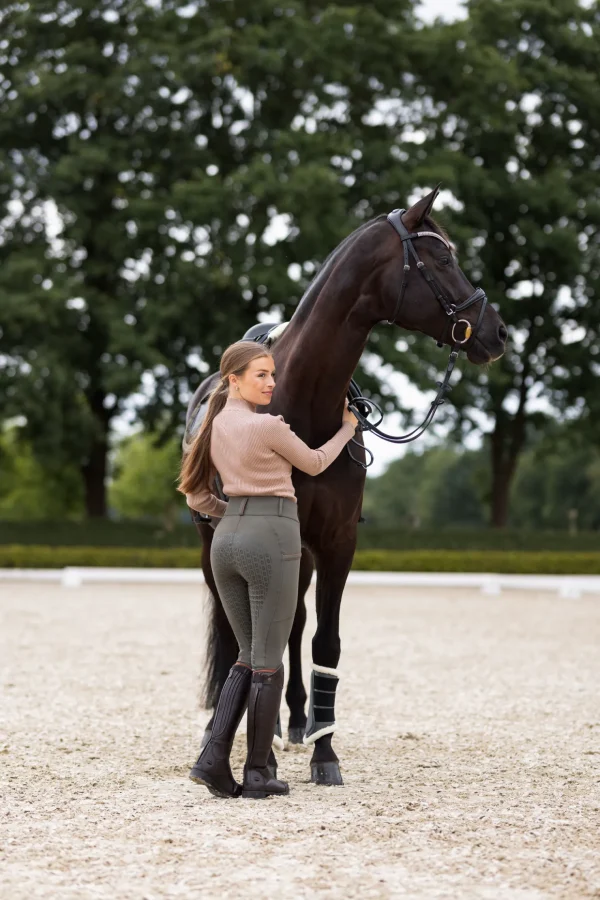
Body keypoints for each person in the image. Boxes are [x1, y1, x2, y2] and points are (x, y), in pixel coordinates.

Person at [178, 340, 358, 799]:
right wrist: (347, 429)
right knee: (267, 663)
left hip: (227, 539)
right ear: (233, 379)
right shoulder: (270, 427)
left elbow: (196, 496)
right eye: (261, 374)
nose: (271, 383)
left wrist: (233, 516)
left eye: (272, 374)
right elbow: (315, 462)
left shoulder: (213, 426)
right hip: (272, 536)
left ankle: (213, 760)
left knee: (244, 654)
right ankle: (257, 772)